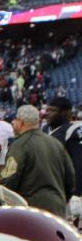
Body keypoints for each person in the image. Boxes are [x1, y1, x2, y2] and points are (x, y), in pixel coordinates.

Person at [0, 105, 75, 217]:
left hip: (30, 210)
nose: (13, 124)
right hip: (57, 209)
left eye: (15, 120)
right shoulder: (55, 143)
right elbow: (70, 178)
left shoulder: (20, 145)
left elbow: (10, 180)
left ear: (20, 122)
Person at [44, 96, 82, 225]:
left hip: (69, 192)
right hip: (55, 191)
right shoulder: (47, 131)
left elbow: (79, 162)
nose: (47, 114)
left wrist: (77, 193)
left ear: (66, 113)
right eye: (47, 110)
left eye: (52, 111)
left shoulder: (72, 131)